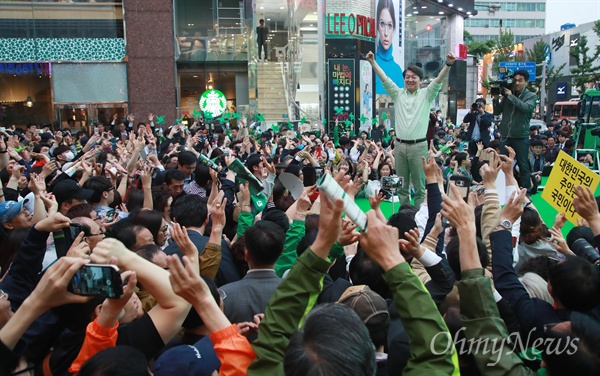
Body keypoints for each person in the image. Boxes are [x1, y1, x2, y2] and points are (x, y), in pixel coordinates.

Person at [366, 50, 455, 207]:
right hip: (399, 146)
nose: (410, 80)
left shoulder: (427, 94)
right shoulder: (397, 94)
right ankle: (404, 214)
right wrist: (373, 62)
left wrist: (448, 64)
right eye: (407, 77)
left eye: (414, 77)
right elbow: (384, 78)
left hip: (419, 146)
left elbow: (439, 80)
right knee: (402, 187)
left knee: (421, 187)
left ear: (421, 80)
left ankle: (419, 215)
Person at [492, 69, 537, 193]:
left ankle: (526, 191)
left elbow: (526, 108)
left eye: (520, 81)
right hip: (506, 135)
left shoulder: (531, 96)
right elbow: (496, 112)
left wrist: (510, 96)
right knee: (502, 164)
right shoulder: (507, 95)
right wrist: (496, 99)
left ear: (526, 82)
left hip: (521, 136)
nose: (517, 83)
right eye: (515, 80)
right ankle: (503, 190)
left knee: (523, 165)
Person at [374, 0, 403, 94]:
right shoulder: (370, 64)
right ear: (377, 26)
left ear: (394, 29)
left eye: (390, 25)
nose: (386, 33)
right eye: (382, 24)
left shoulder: (397, 71)